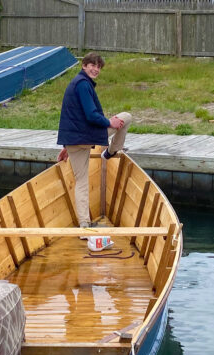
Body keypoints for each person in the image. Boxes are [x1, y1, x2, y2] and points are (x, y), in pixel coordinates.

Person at [56, 52, 132, 228]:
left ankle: (84, 225)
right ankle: (111, 152)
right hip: (86, 136)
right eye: (92, 65)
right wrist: (109, 122)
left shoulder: (76, 83)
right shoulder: (83, 84)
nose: (95, 69)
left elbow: (74, 116)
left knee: (81, 182)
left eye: (98, 66)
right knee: (126, 117)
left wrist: (68, 145)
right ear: (84, 65)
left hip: (75, 140)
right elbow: (91, 115)